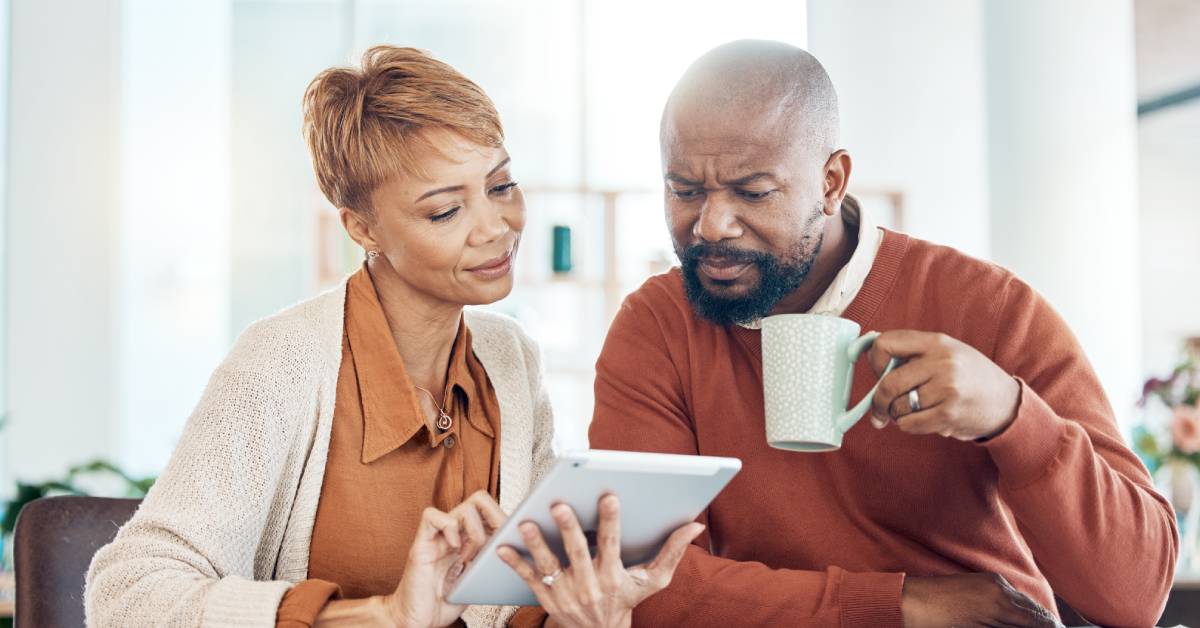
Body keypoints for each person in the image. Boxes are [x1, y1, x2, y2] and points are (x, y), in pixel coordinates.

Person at [85, 46, 700, 628]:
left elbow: (518, 602)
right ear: (363, 228)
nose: (496, 228)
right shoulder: (280, 365)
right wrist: (382, 614)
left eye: (501, 186)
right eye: (444, 211)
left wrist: (590, 610)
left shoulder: (510, 360)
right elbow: (128, 593)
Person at [588, 39, 1177, 627]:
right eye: (685, 191)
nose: (710, 225)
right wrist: (898, 606)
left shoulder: (989, 306)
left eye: (752, 192)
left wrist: (1011, 416)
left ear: (831, 182)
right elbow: (639, 583)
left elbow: (1135, 593)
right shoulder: (657, 326)